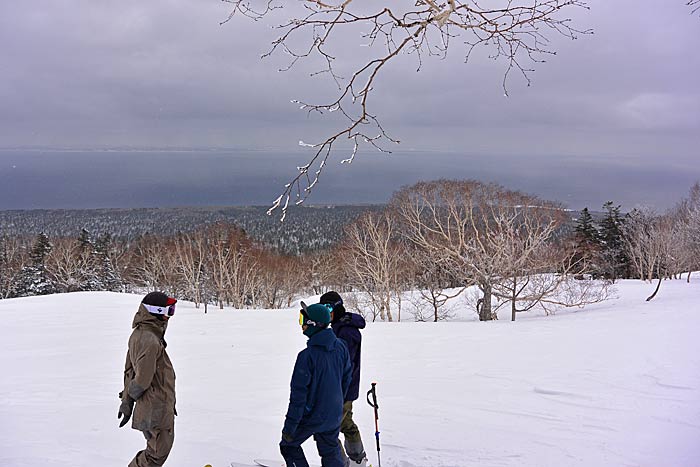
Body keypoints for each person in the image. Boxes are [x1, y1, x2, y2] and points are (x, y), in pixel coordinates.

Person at [280, 302, 352, 467]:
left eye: (302, 320)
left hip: (313, 415)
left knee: (288, 445)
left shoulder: (306, 357)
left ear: (313, 324)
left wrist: (289, 429)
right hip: (333, 414)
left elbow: (298, 398)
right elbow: (346, 379)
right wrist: (336, 403)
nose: (301, 325)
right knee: (330, 449)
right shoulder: (341, 347)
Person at [118, 292, 178, 467]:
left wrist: (127, 401)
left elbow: (129, 370)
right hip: (155, 407)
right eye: (170, 310)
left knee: (156, 450)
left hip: (155, 404)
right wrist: (128, 399)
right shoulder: (149, 340)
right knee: (156, 454)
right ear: (157, 311)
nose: (170, 315)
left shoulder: (140, 335)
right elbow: (142, 379)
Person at [320, 292, 368, 467]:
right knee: (346, 423)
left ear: (336, 308)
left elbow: (341, 363)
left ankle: (340, 464)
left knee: (328, 430)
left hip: (342, 389)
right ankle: (358, 460)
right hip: (342, 389)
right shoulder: (339, 326)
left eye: (327, 308)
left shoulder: (347, 331)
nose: (325, 312)